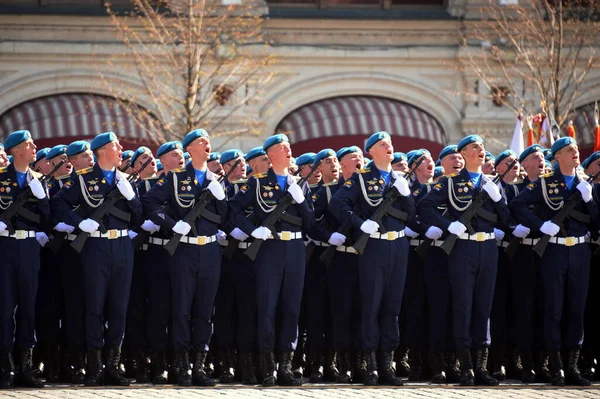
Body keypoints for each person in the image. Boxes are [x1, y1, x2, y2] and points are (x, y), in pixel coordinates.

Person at [228, 134, 337, 387]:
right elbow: (232, 208)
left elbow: (310, 223)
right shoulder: (256, 183)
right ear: (270, 154)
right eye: (282, 147)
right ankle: (268, 368)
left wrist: (301, 201)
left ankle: (285, 367)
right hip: (269, 248)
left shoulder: (300, 183)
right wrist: (251, 229)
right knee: (266, 307)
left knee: (291, 308)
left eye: (288, 146)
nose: (288, 150)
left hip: (296, 249)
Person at [51, 131, 142, 386]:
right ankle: (94, 366)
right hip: (96, 247)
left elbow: (139, 216)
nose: (121, 149)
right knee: (94, 307)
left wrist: (132, 197)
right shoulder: (82, 180)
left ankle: (113, 365)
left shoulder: (125, 180)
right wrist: (80, 223)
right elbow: (58, 205)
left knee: (119, 308)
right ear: (102, 151)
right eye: (116, 146)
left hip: (123, 245)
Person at [418, 134, 510, 386]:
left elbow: (506, 219)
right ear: (463, 154)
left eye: (482, 147)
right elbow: (425, 207)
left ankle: (481, 367)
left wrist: (498, 198)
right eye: (474, 148)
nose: (481, 150)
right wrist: (449, 225)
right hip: (463, 248)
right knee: (463, 306)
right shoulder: (449, 183)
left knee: (483, 308)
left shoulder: (492, 183)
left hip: (489, 248)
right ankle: (466, 368)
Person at [142, 129, 227, 387]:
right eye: (202, 142)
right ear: (189, 149)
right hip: (184, 251)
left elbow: (224, 215)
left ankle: (199, 366)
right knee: (181, 309)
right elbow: (149, 202)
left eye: (208, 141)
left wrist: (222, 198)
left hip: (211, 251)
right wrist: (170, 224)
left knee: (205, 311)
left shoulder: (215, 179)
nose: (207, 145)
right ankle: (182, 368)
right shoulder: (176, 178)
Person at [330, 131, 415, 386]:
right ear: (371, 151)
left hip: (398, 245)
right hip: (374, 247)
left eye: (389, 143)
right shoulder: (361, 178)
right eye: (381, 144)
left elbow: (411, 215)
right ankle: (371, 367)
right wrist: (359, 223)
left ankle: (387, 365)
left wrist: (407, 194)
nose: (388, 146)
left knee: (392, 307)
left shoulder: (400, 179)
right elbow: (338, 204)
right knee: (371, 306)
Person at [510, 136, 596, 386]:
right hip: (554, 253)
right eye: (569, 150)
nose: (575, 153)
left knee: (576, 310)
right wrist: (540, 225)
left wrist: (590, 200)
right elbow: (518, 204)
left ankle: (572, 367)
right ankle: (556, 367)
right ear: (557, 157)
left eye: (576, 149)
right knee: (554, 310)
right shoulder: (546, 184)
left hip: (580, 252)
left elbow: (598, 220)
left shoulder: (585, 184)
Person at [0, 130, 51, 389]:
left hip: (29, 247)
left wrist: (41, 197)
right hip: (5, 247)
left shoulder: (39, 180)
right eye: (28, 144)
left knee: (28, 306)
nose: (34, 147)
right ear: (16, 150)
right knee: (5, 306)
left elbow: (48, 218)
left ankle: (25, 365)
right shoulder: (0, 178)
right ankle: (6, 365)